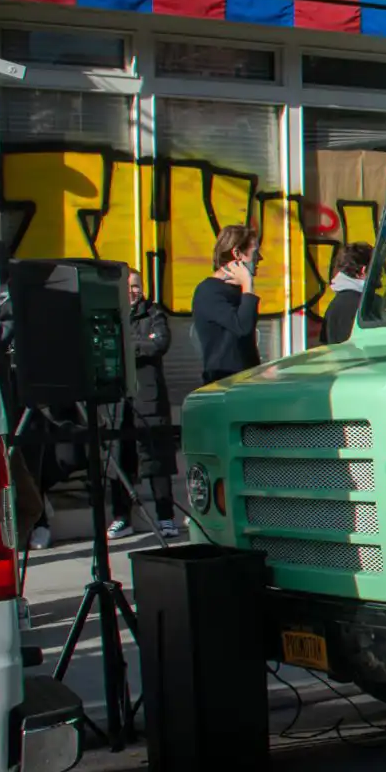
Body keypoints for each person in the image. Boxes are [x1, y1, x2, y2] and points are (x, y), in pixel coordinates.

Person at [105, 269, 180, 539]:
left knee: (156, 460)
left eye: (136, 286)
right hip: (119, 402)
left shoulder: (154, 314)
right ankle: (122, 518)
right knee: (121, 460)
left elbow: (159, 344)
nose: (133, 291)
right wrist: (140, 344)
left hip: (149, 399)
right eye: (128, 287)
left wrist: (126, 344)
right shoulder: (111, 314)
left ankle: (166, 518)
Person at [193, 225, 264, 384]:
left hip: (246, 382)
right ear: (237, 253)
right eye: (255, 252)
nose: (260, 258)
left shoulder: (236, 291)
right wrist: (247, 284)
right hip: (225, 385)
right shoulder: (210, 291)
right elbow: (242, 327)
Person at [324, 242, 373, 343]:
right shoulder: (364, 305)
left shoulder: (335, 304)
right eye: (377, 268)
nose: (381, 274)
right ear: (363, 270)